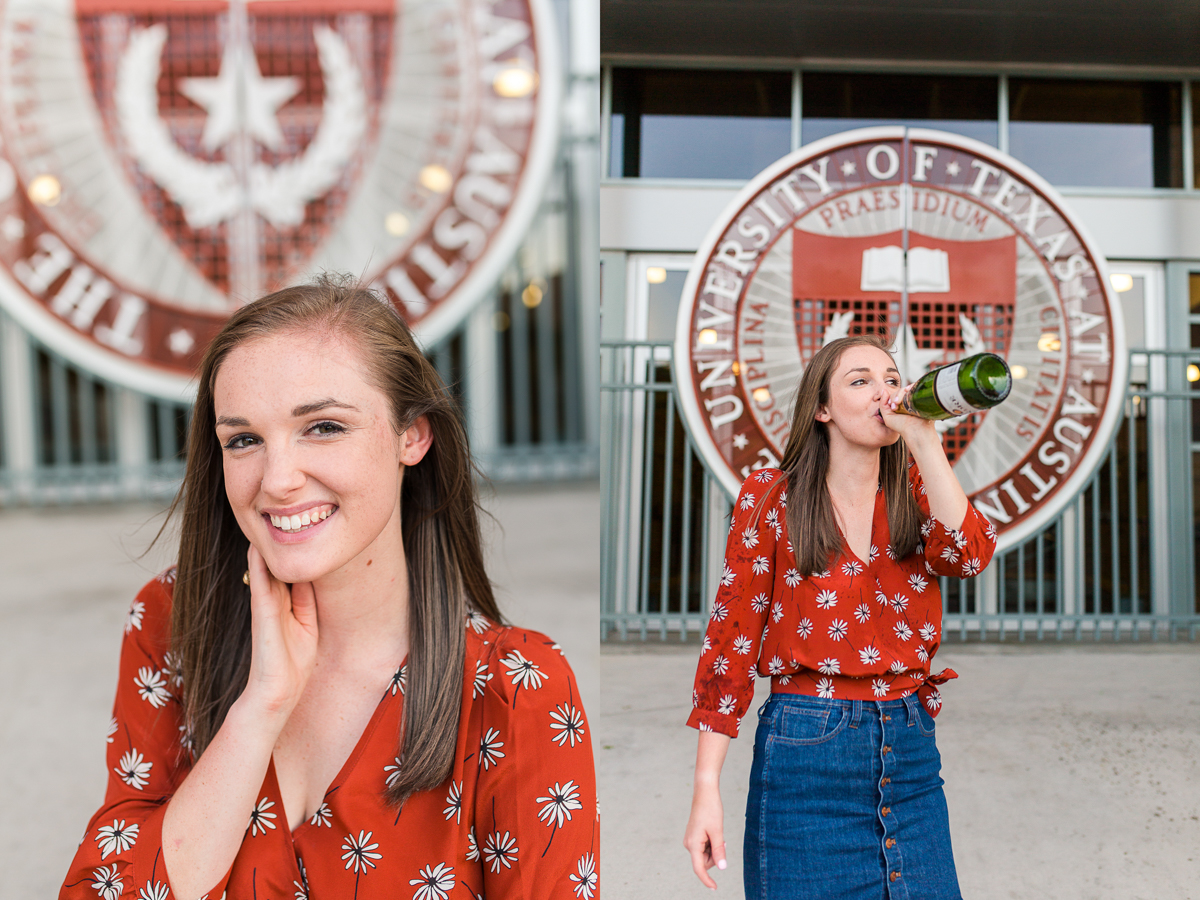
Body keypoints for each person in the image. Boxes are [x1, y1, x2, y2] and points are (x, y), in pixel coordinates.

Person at [61, 276, 598, 900]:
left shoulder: (516, 690)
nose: (278, 479)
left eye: (323, 427)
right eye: (244, 440)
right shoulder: (172, 621)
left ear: (412, 436)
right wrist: (258, 710)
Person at [682, 333, 996, 899]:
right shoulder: (770, 496)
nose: (885, 392)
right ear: (822, 408)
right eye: (861, 381)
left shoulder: (918, 490)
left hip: (910, 751)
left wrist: (926, 443)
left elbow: (968, 554)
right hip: (806, 752)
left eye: (893, 379)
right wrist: (706, 786)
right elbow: (730, 642)